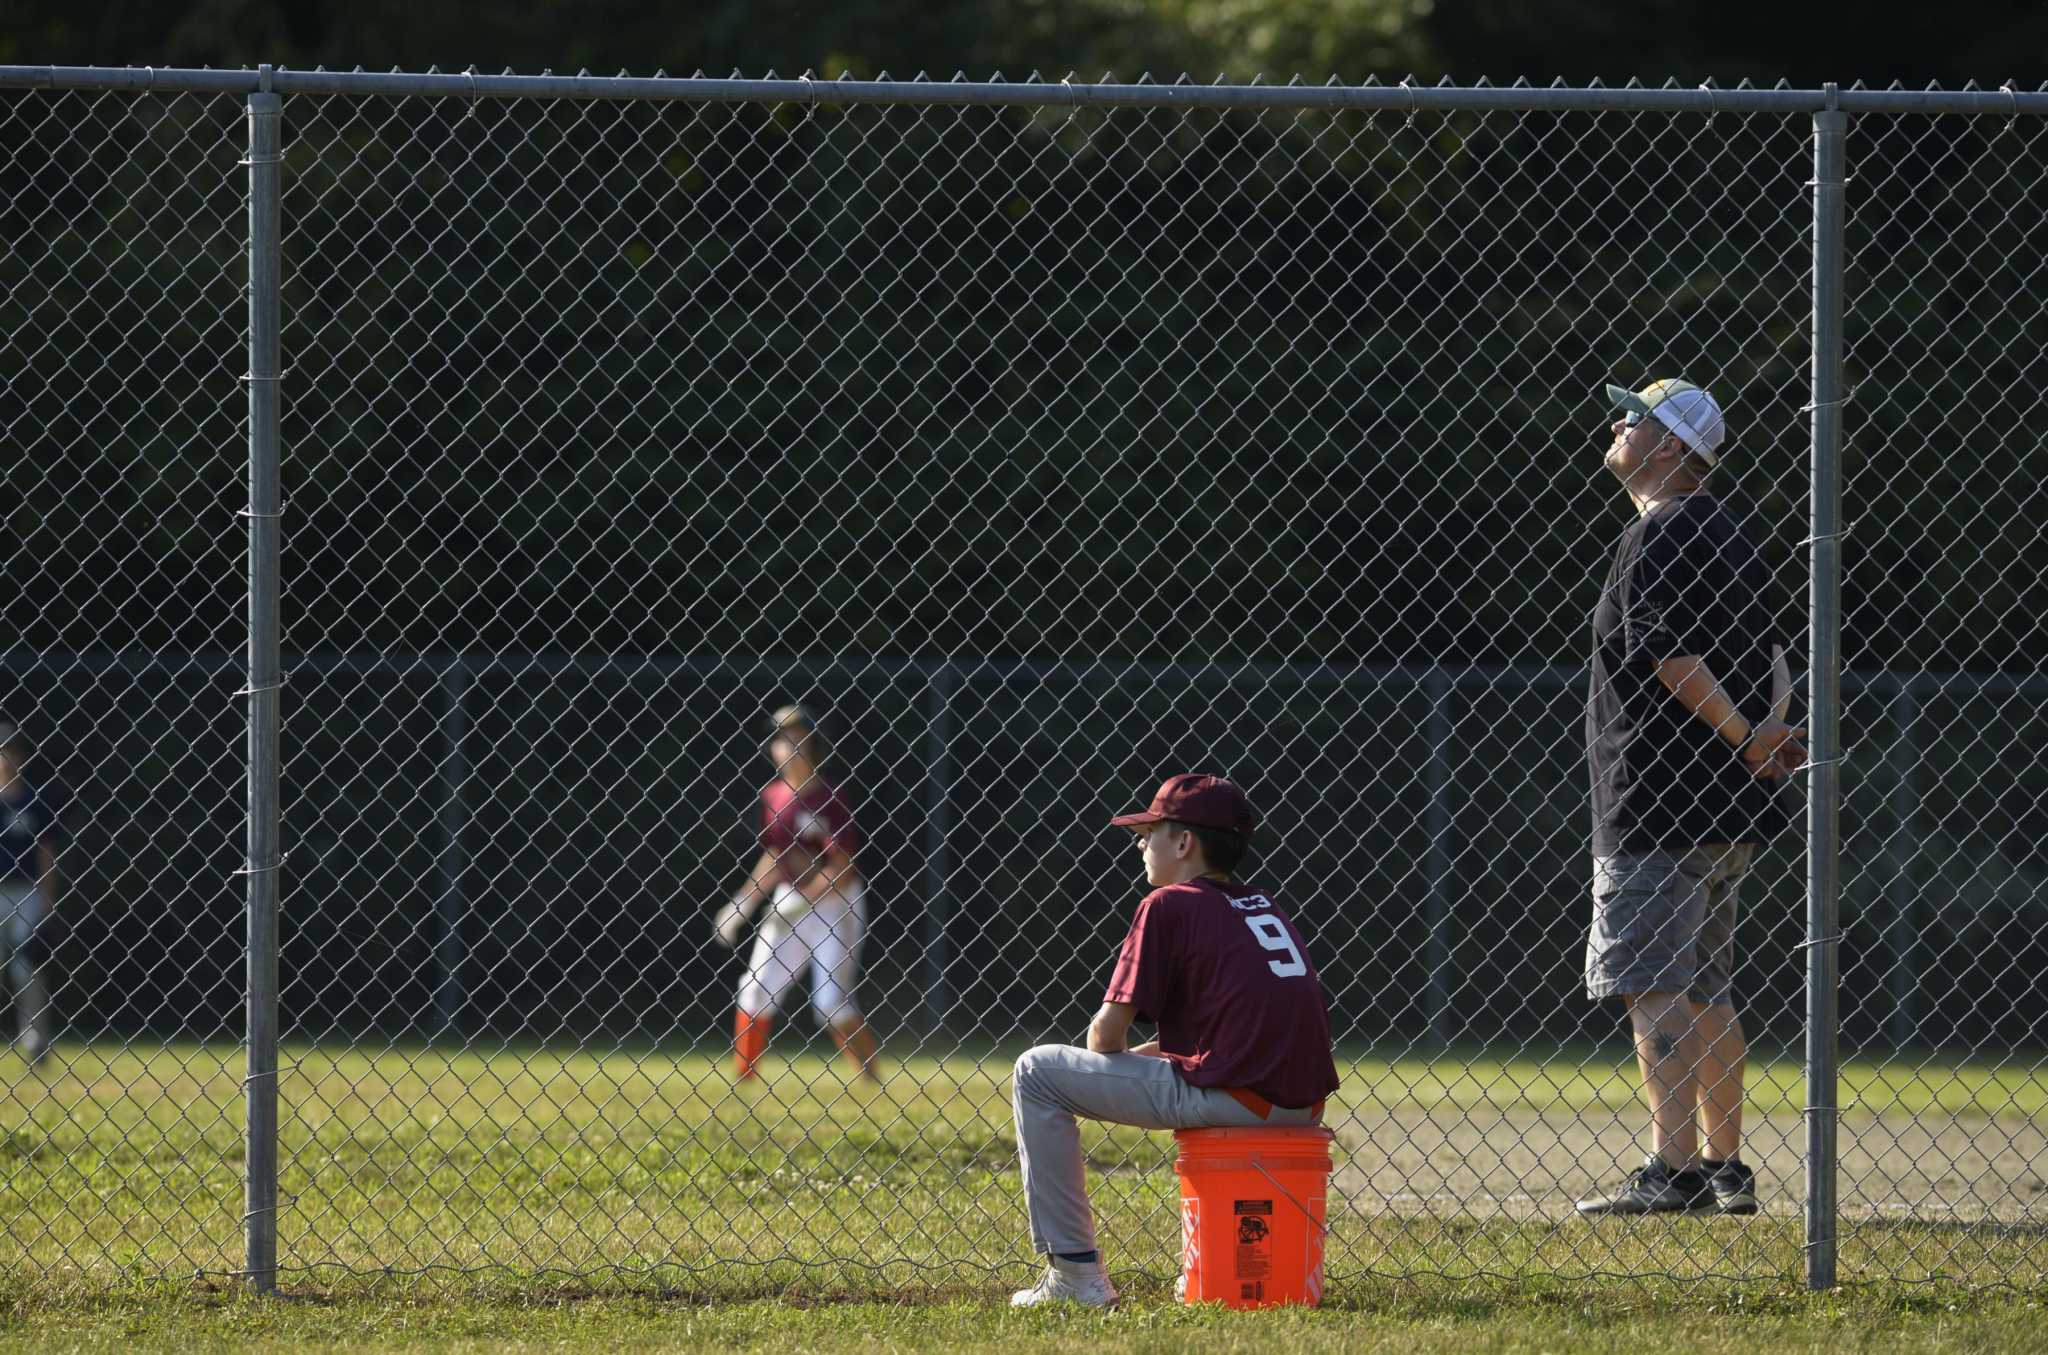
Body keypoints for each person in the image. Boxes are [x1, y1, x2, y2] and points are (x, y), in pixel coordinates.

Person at [1577, 379, 1807, 1217]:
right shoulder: (1735, 533)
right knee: (1710, 984)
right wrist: (1769, 732)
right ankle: (1723, 1168)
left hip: (1660, 802)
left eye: (1634, 418)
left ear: (1670, 447)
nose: (1618, 425)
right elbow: (1782, 652)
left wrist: (1746, 734)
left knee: (1653, 984)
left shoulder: (1658, 533)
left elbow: (1670, 659)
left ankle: (1668, 1172)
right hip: (1730, 806)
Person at [1008, 773, 1339, 1308]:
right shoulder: (1260, 905)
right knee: (1107, 1069)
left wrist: (1114, 1060)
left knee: (1037, 1073)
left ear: (1184, 843)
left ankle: (1074, 1277)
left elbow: (1103, 1037)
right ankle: (1206, 1271)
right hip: (1300, 1108)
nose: (1141, 844)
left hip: (1240, 1099)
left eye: (1151, 831)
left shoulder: (1168, 904)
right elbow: (1232, 1034)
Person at [712, 704, 880, 1084]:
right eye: (783, 739)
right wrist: (744, 901)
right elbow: (775, 855)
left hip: (836, 903)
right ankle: (745, 1079)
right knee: (754, 989)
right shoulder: (773, 796)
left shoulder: (830, 796)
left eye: (799, 740)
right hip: (791, 898)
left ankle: (870, 1078)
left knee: (830, 1003)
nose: (790, 747)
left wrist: (804, 902)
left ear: (815, 748)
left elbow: (842, 867)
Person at [0, 722, 62, 1068]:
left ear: (20, 758)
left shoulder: (33, 800)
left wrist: (47, 899)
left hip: (26, 893)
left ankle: (36, 1040)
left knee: (27, 970)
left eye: (11, 751)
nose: (6, 759)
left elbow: (45, 852)